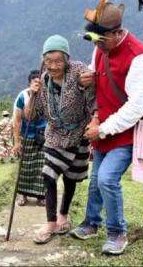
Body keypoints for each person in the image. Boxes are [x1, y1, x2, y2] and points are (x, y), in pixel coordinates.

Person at [70, 2, 143, 256]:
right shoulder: (100, 49)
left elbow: (135, 108)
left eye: (101, 40)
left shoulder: (141, 58)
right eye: (94, 41)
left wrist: (103, 128)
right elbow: (97, 82)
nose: (97, 47)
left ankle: (118, 232)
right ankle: (91, 223)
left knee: (108, 179)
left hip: (125, 131)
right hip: (102, 126)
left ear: (118, 33)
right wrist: (87, 79)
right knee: (96, 180)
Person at [25, 34, 95, 245]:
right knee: (48, 175)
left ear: (67, 59)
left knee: (70, 178)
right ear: (43, 61)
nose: (53, 66)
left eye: (58, 61)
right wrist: (32, 94)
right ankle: (51, 223)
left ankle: (64, 215)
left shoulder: (78, 71)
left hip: (78, 134)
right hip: (55, 134)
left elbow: (91, 88)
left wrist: (85, 84)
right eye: (49, 61)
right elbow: (31, 116)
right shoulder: (42, 81)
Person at [12, 70, 47, 207]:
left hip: (43, 136)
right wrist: (17, 142)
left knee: (42, 167)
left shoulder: (47, 96)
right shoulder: (23, 96)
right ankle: (23, 195)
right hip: (27, 135)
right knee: (25, 166)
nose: (38, 85)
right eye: (35, 82)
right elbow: (17, 120)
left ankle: (41, 196)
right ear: (29, 83)